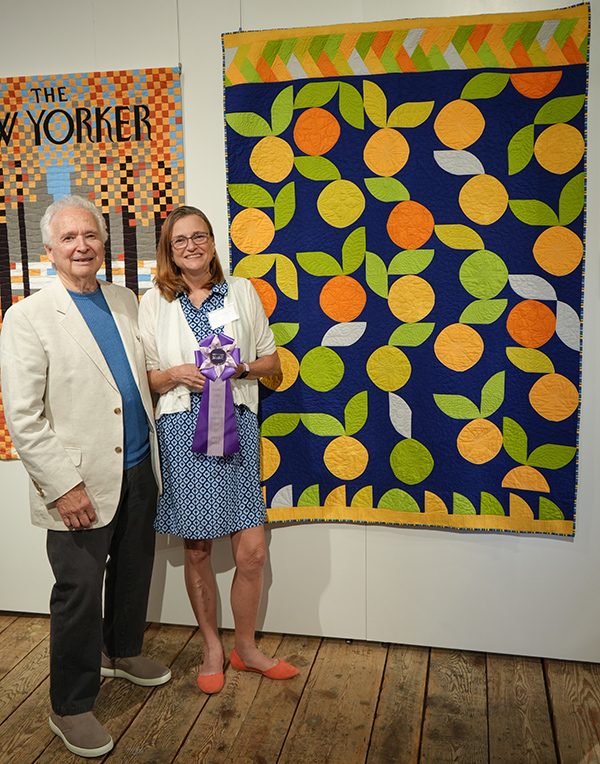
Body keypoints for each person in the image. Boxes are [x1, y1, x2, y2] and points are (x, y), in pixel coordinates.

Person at [0, 195, 171, 758]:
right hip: (77, 482)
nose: (82, 246)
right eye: (69, 238)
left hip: (140, 465)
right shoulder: (25, 317)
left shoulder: (125, 300)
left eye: (90, 236)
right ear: (49, 250)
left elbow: (140, 378)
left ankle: (122, 650)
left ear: (104, 243)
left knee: (132, 567)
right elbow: (23, 416)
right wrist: (63, 486)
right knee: (77, 594)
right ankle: (69, 706)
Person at [138, 205, 298, 695]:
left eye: (200, 235)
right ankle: (211, 645)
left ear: (212, 241)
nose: (191, 245)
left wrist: (239, 369)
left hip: (238, 426)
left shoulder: (243, 292)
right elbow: (144, 375)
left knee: (251, 551)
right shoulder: (153, 303)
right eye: (181, 239)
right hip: (184, 429)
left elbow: (272, 360)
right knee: (198, 548)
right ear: (169, 249)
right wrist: (175, 374)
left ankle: (245, 649)